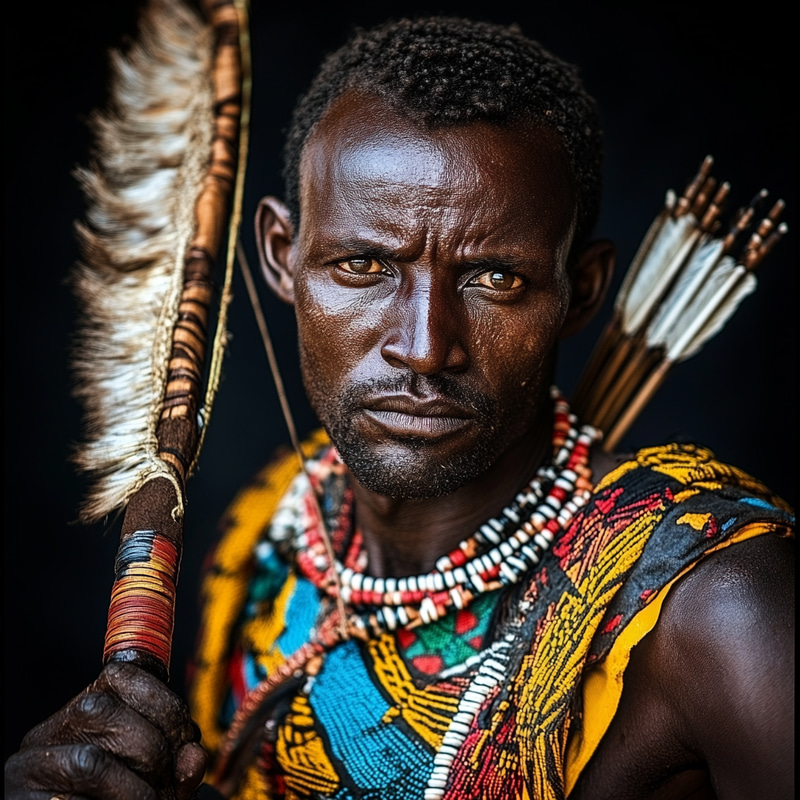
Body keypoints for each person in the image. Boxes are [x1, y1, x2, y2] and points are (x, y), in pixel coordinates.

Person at [5, 12, 794, 800]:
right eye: (363, 264)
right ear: (283, 256)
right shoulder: (272, 532)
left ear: (580, 290)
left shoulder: (715, 609)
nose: (424, 346)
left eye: (494, 279)